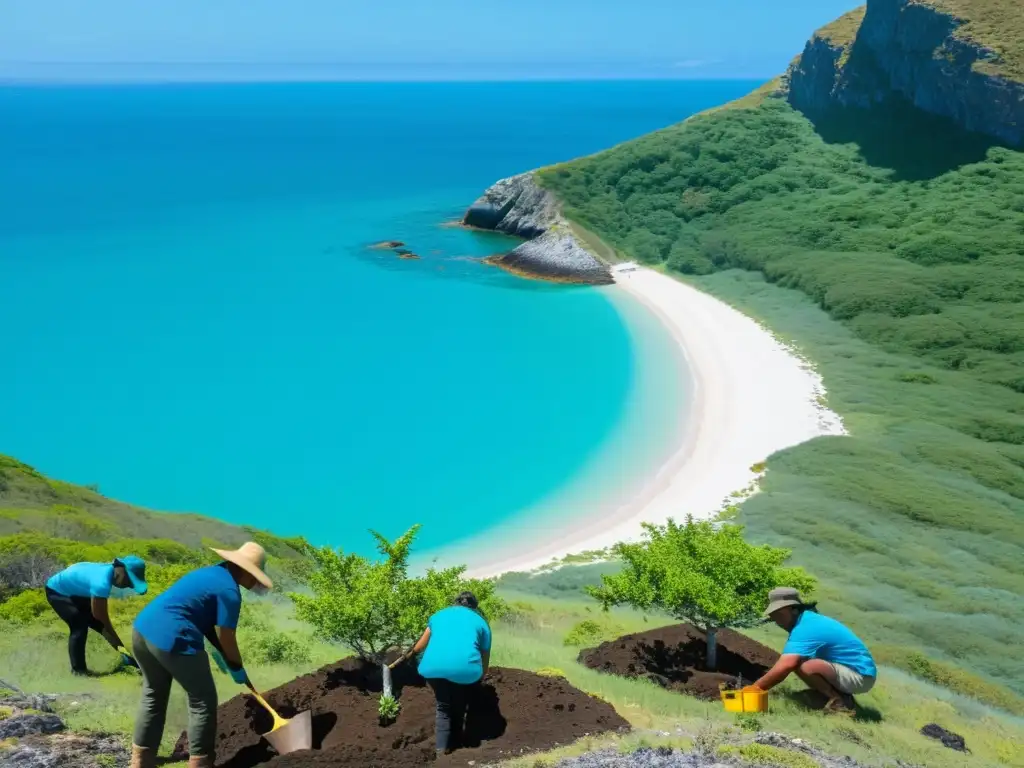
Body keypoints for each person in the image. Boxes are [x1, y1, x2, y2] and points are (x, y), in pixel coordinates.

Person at [129, 542, 272, 768]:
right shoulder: (229, 592)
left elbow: (206, 623)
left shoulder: (209, 573)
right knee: (202, 700)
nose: (254, 582)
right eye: (254, 576)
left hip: (142, 631)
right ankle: (201, 763)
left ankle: (141, 762)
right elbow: (226, 636)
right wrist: (236, 665)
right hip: (173, 637)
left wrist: (222, 655)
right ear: (244, 569)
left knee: (153, 693)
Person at [391, 591, 492, 756]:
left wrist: (404, 659)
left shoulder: (437, 616)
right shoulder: (482, 623)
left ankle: (441, 751)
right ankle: (456, 748)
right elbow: (484, 657)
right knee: (459, 705)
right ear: (474, 607)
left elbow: (418, 647)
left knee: (443, 707)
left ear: (455, 603)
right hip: (465, 670)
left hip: (432, 668)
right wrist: (481, 676)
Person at [750, 587, 877, 714]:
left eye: (779, 615)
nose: (777, 622)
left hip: (859, 676)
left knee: (804, 665)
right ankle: (839, 696)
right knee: (802, 660)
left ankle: (838, 701)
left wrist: (754, 689)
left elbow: (787, 664)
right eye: (774, 617)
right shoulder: (809, 619)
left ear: (793, 610)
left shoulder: (805, 627)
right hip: (856, 672)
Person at [45, 556, 148, 675]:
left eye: (131, 584)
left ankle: (128, 661)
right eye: (129, 580)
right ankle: (79, 671)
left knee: (100, 626)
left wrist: (123, 651)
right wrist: (120, 647)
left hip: (79, 592)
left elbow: (101, 623)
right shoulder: (101, 582)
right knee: (79, 626)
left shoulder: (109, 575)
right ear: (120, 569)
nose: (128, 585)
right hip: (57, 591)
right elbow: (101, 618)